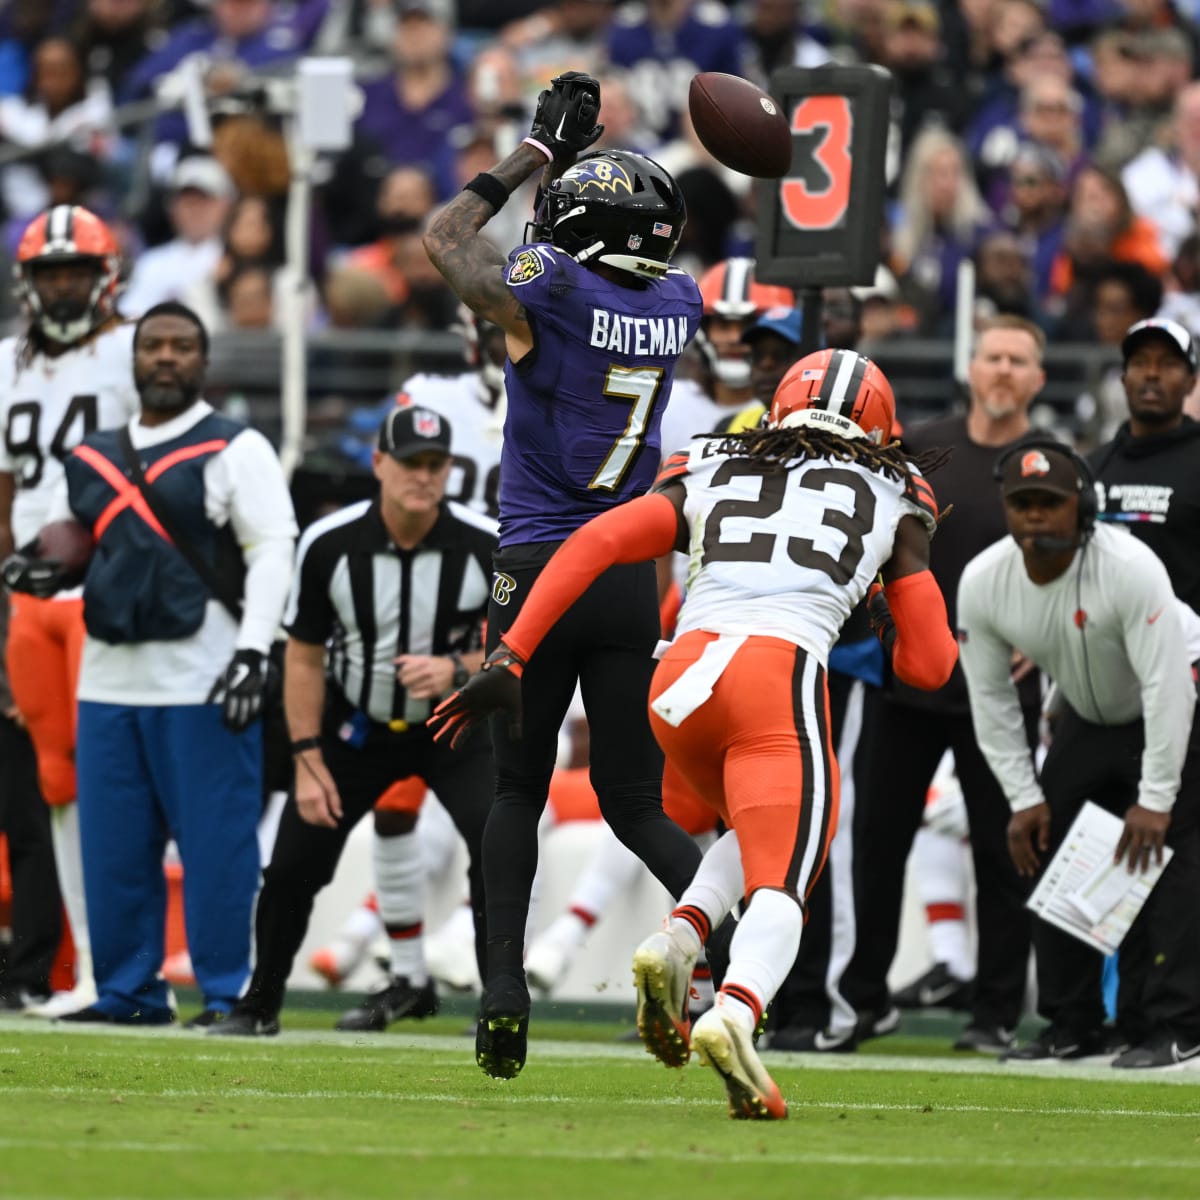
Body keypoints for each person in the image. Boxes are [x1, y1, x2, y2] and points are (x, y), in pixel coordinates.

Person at [430, 347, 957, 1118]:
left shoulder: (712, 459)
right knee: (789, 873)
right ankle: (737, 1011)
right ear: (878, 428)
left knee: (755, 825)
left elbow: (598, 541)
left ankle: (677, 939)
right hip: (773, 678)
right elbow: (931, 666)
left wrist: (511, 651)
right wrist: (880, 602)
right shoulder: (898, 489)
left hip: (677, 680)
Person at [422, 71, 710, 1080]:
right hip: (629, 573)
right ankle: (737, 939)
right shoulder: (678, 298)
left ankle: (505, 992)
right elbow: (592, 258)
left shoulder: (552, 286)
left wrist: (537, 154)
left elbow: (450, 239)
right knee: (637, 804)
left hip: (537, 565)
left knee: (516, 789)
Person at [3, 301, 296, 1025]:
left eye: (183, 346)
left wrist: (255, 649)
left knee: (217, 848)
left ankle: (229, 991)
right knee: (113, 850)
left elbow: (272, 550)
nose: (166, 357)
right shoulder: (93, 454)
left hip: (205, 677)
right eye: (154, 346)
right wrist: (47, 569)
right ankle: (128, 989)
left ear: (204, 361)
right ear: (133, 360)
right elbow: (93, 549)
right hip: (106, 677)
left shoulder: (238, 448)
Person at [212, 405, 497, 1037]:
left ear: (449, 469)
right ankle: (259, 1004)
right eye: (409, 463)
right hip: (357, 727)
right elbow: (305, 657)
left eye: (435, 465)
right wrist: (307, 760)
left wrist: (456, 668)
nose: (422, 477)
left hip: (454, 725)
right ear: (379, 465)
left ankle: (500, 1009)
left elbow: (519, 646)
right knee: (290, 868)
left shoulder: (485, 542)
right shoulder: (330, 543)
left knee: (496, 846)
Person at [835, 314, 1048, 1055]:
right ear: (972, 364)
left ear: (1038, 378)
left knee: (1005, 851)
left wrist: (1042, 638)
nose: (1004, 371)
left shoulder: (1049, 463)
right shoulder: (921, 445)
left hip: (998, 692)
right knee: (876, 844)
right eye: (993, 356)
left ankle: (993, 1013)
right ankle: (862, 998)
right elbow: (862, 543)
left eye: (1019, 360)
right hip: (905, 684)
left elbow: (1076, 562)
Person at [957, 439, 1200, 1069]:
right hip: (1091, 714)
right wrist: (1023, 797)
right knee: (1045, 845)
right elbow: (990, 698)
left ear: (1083, 506)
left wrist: (1153, 799)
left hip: (1181, 695)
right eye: (1022, 503)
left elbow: (1167, 684)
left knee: (1173, 860)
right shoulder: (985, 582)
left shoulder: (1131, 566)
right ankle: (1074, 1022)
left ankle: (1173, 1025)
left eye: (1050, 502)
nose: (1035, 516)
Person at [0, 203, 140, 1019]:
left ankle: (108, 966)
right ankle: (69, 966)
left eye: (74, 273)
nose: (60, 288)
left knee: (109, 783)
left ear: (104, 277)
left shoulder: (132, 351)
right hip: (28, 595)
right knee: (49, 785)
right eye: (49, 274)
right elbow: (7, 494)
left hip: (106, 587)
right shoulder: (8, 364)